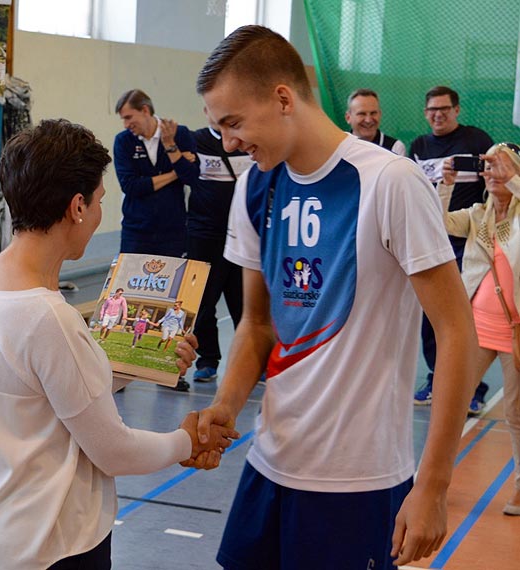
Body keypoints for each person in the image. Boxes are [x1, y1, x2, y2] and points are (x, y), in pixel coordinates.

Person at [187, 25, 478, 569]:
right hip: (268, 466)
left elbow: (456, 330)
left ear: (281, 98)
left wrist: (434, 485)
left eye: (233, 123)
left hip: (358, 482)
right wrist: (224, 407)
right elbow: (256, 324)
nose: (228, 142)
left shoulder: (390, 182)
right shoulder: (254, 187)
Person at [0, 119, 239, 570]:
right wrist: (185, 441)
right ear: (77, 206)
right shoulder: (47, 318)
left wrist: (146, 365)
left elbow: (54, 394)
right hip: (55, 547)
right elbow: (114, 450)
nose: (104, 211)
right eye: (102, 200)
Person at [437, 143, 520, 514]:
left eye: (498, 166)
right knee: (451, 403)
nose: (491, 172)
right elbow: (435, 224)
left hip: (515, 332)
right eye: (487, 166)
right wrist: (445, 184)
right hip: (476, 328)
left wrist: (512, 176)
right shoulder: (476, 215)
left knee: (516, 414)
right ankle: (433, 481)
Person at [410, 86, 493, 411]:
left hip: (468, 245)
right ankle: (435, 377)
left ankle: (473, 385)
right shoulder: (418, 147)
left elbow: (493, 185)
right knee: (431, 317)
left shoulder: (477, 140)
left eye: (444, 108)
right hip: (429, 243)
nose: (438, 114)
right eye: (432, 109)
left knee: (467, 318)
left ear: (457, 110)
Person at [188, 111, 253, 382]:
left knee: (243, 302)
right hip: (204, 236)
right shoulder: (194, 141)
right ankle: (208, 359)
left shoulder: (246, 141)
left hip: (242, 234)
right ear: (205, 112)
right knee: (203, 302)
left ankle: (252, 364)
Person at [114, 89, 199, 256]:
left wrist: (170, 145)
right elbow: (131, 186)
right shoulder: (123, 141)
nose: (125, 124)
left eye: (128, 117)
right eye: (123, 119)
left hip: (173, 232)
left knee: (173, 282)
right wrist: (175, 173)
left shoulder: (180, 134)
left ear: (145, 110)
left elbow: (192, 178)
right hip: (136, 232)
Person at [345, 88, 406, 155]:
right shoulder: (339, 146)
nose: (368, 120)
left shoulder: (395, 148)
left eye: (373, 113)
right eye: (362, 114)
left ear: (380, 114)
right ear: (348, 118)